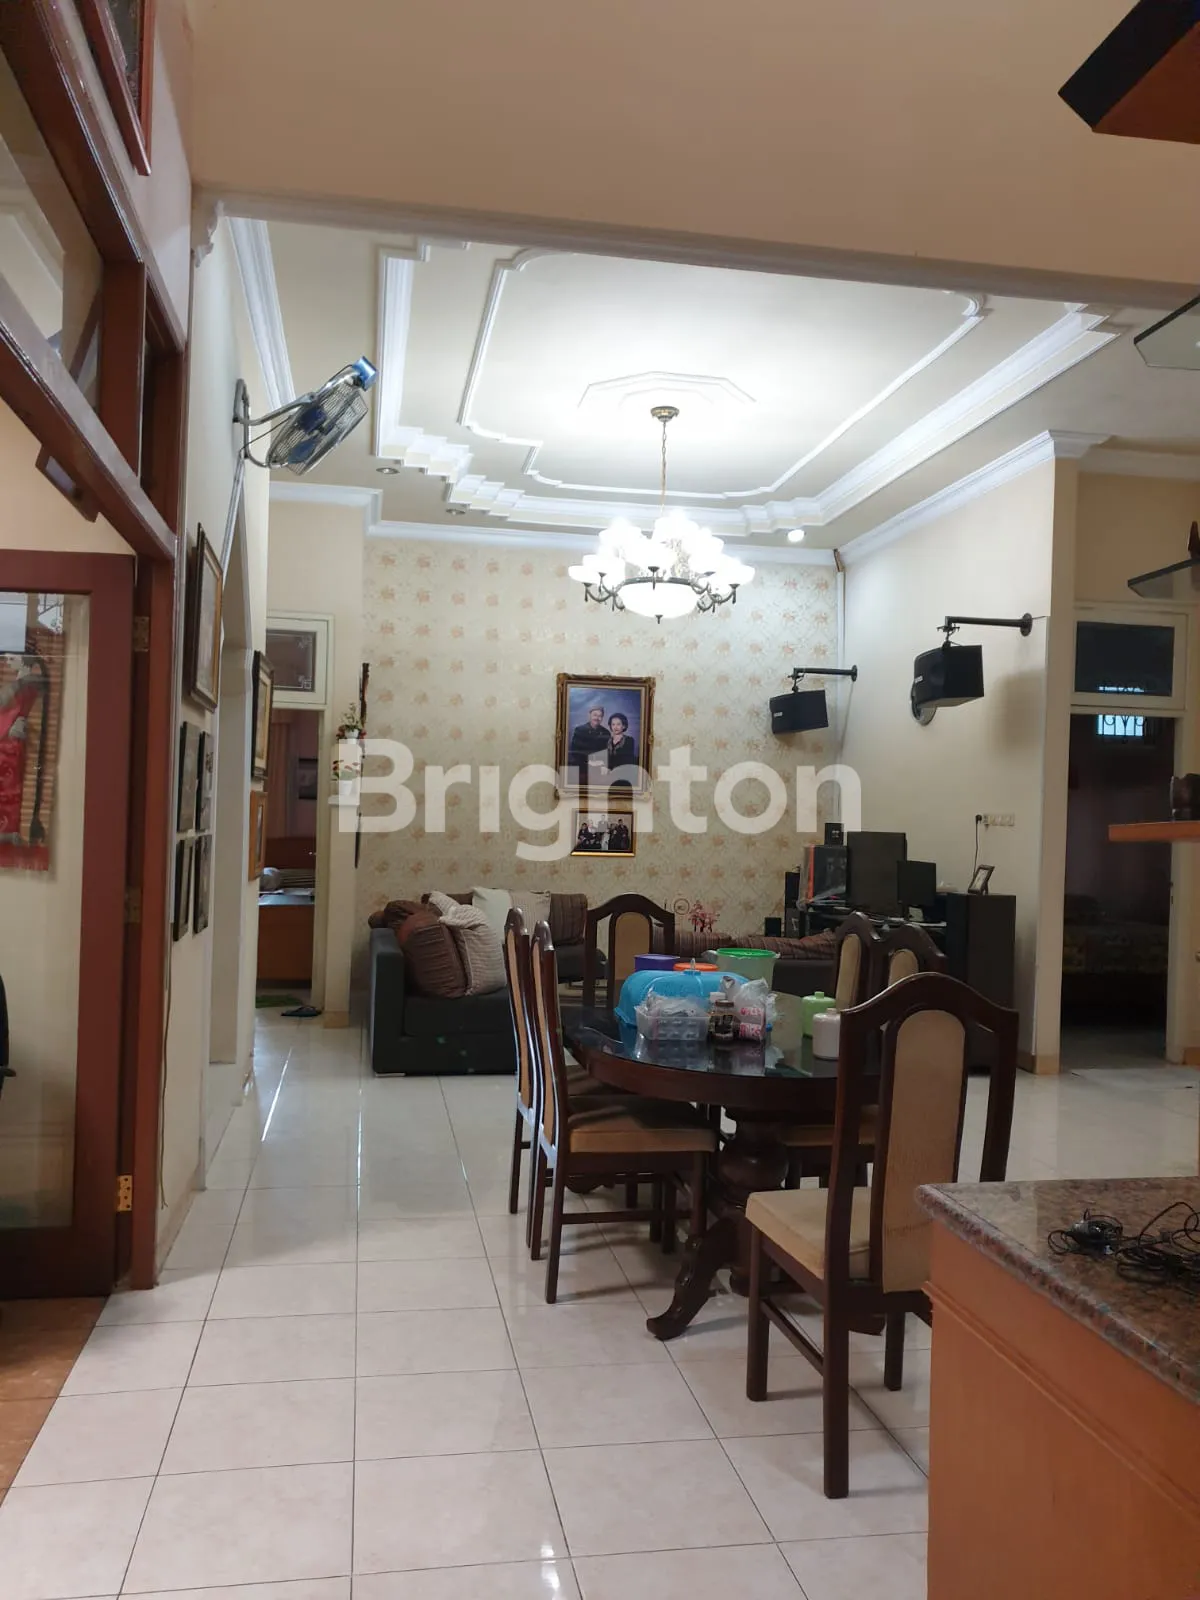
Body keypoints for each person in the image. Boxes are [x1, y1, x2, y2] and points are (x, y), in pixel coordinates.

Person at [569, 704, 610, 783]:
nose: (597, 718)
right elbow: (575, 752)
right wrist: (589, 762)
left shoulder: (606, 733)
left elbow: (607, 752)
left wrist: (604, 765)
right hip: (582, 769)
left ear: (602, 718)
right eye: (595, 715)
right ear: (589, 715)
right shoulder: (580, 730)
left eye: (600, 716)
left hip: (599, 770)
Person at [606, 711, 638, 789]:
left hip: (624, 775)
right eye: (613, 724)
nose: (615, 727)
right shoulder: (607, 741)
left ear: (623, 726)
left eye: (618, 724)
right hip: (608, 775)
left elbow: (625, 760)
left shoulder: (629, 740)